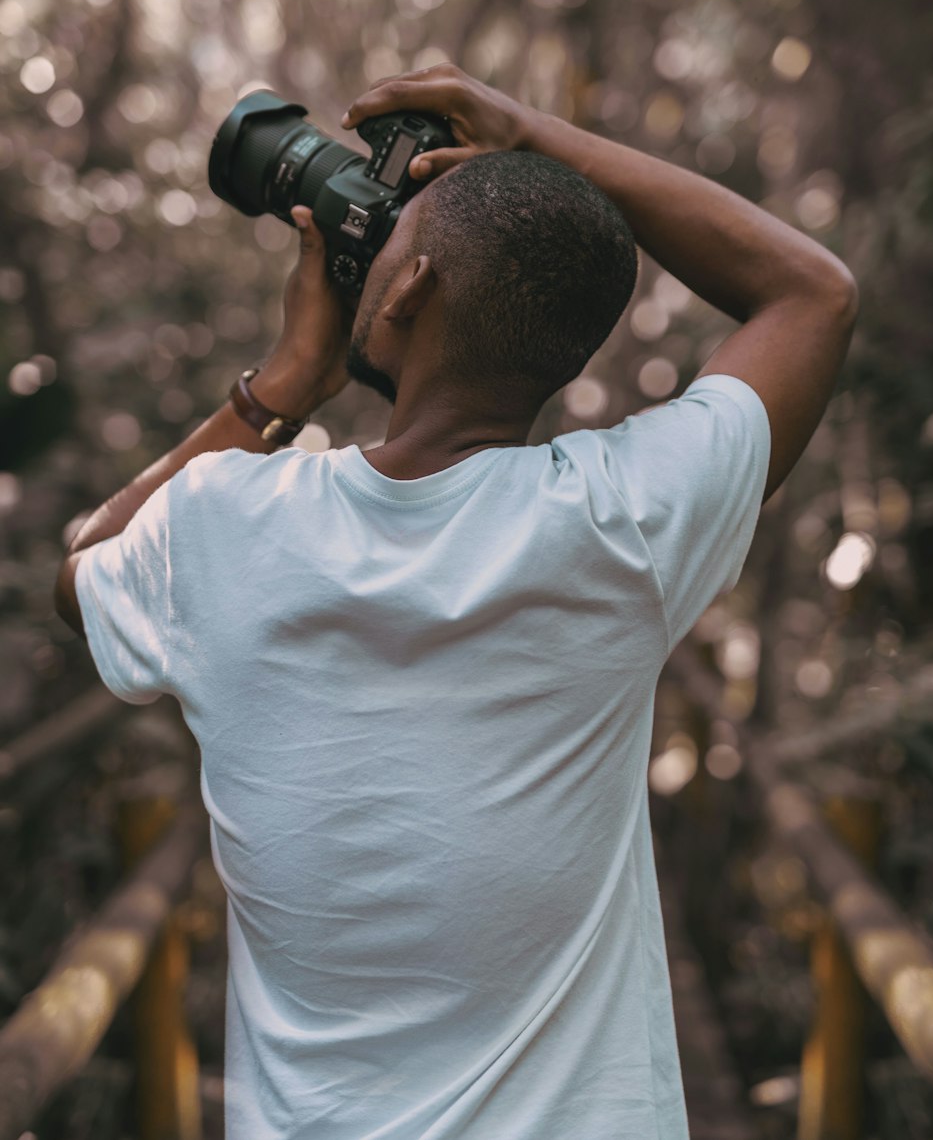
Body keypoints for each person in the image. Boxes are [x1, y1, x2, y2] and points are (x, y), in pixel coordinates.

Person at [54, 62, 857, 1139]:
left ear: (408, 290)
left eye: (383, 241)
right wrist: (537, 134)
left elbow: (83, 568)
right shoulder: (622, 522)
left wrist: (282, 383)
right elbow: (813, 292)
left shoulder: (226, 522)